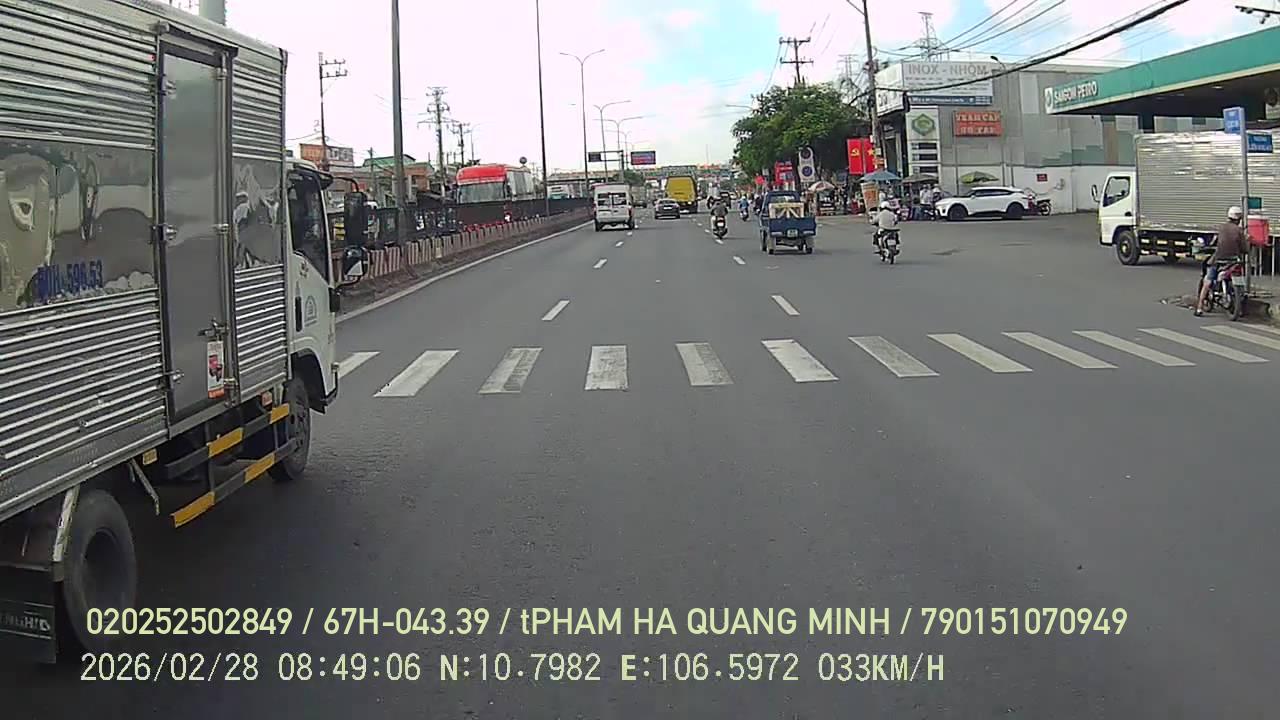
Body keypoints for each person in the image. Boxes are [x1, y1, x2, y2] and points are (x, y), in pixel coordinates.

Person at [1194, 205, 1248, 316]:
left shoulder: (1221, 228)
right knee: (1240, 280)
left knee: (1208, 281)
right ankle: (1240, 308)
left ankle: (1199, 308)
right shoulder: (1239, 230)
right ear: (1239, 219)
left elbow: (1214, 242)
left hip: (1218, 260)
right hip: (1234, 261)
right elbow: (1244, 248)